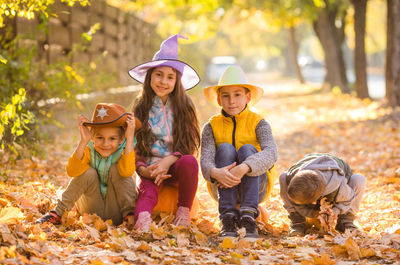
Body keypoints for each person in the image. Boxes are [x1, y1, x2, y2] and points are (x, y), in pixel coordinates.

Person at [128, 34, 201, 232]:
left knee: (189, 162)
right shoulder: (141, 107)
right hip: (150, 168)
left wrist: (168, 161)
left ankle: (183, 211)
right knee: (148, 193)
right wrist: (143, 169)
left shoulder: (184, 106)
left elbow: (189, 143)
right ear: (149, 76)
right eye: (159, 75)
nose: (163, 81)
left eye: (170, 77)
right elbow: (133, 144)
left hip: (176, 166)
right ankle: (142, 221)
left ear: (177, 81)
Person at [200, 65, 278, 240]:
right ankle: (227, 217)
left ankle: (249, 216)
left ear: (248, 97)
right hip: (221, 186)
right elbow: (205, 160)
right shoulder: (211, 127)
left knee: (247, 149)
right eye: (225, 96)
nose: (231, 101)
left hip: (257, 187)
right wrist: (215, 172)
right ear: (219, 100)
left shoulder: (259, 123)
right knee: (225, 148)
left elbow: (272, 153)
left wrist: (244, 167)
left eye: (237, 94)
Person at [36, 103, 141, 226]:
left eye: (112, 139)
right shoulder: (88, 150)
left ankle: (129, 216)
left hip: (117, 212)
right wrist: (83, 142)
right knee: (88, 172)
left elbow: (127, 172)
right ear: (92, 137)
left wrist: (129, 139)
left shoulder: (125, 151)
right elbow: (72, 171)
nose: (105, 144)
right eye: (100, 138)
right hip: (90, 210)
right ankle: (57, 213)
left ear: (121, 140)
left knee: (117, 169)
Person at [279, 153, 366, 236]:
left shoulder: (339, 189)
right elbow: (296, 203)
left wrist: (334, 211)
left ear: (313, 202)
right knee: (283, 177)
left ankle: (345, 220)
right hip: (311, 176)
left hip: (336, 185)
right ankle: (297, 221)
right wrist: (314, 214)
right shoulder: (293, 176)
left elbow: (348, 200)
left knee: (359, 179)